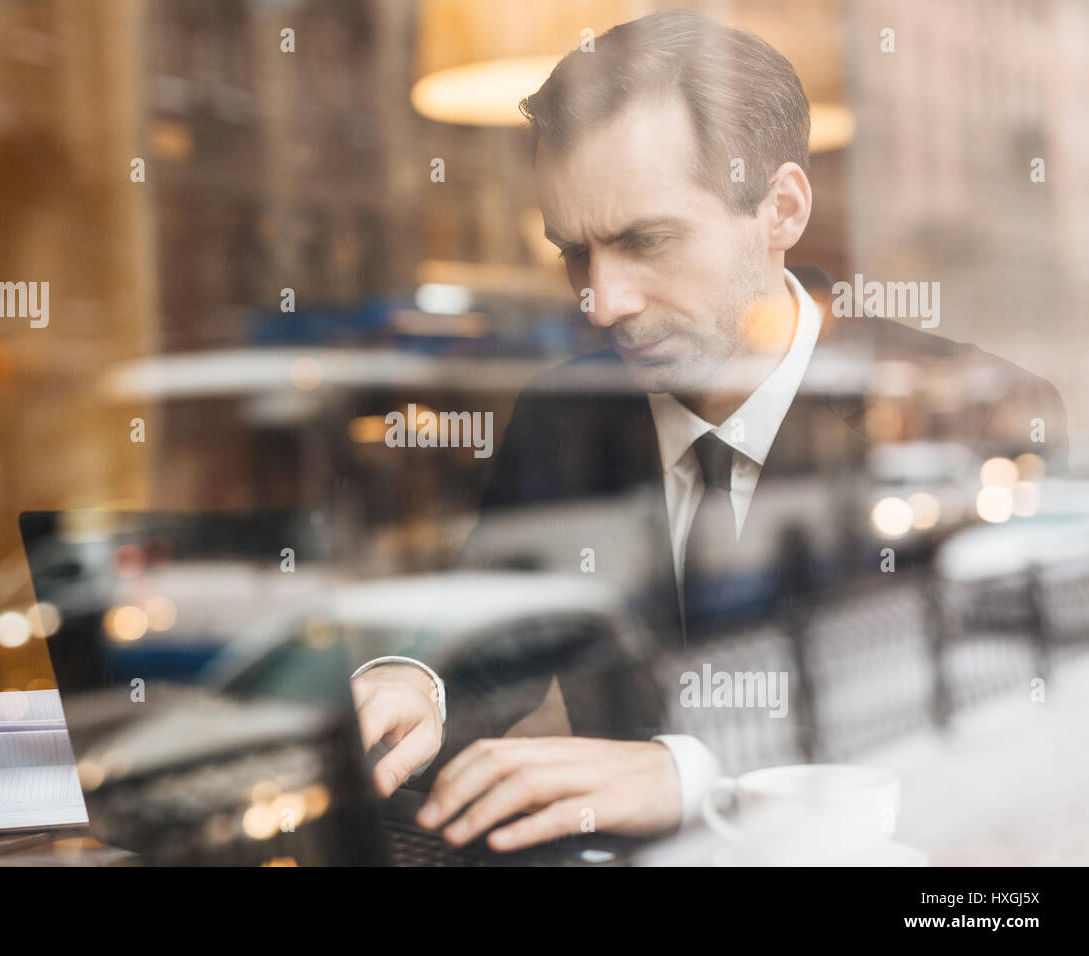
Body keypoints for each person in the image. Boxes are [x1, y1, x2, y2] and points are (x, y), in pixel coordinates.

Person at [351, 9, 1068, 853]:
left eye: (644, 240)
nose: (603, 301)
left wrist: (702, 779)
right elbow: (508, 637)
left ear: (783, 210)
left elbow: (1023, 740)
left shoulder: (970, 408)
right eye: (573, 251)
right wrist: (420, 681)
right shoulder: (563, 412)